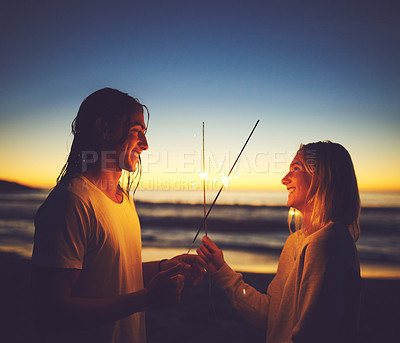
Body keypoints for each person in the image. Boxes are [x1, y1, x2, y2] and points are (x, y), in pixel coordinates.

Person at [31, 88, 205, 343]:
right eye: (137, 132)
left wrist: (164, 266)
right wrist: (146, 299)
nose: (145, 145)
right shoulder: (72, 202)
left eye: (144, 133)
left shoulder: (124, 199)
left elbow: (116, 274)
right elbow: (51, 314)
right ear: (104, 129)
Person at [197, 141, 361, 343]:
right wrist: (222, 270)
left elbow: (313, 335)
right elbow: (271, 314)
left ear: (322, 177)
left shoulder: (329, 243)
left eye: (296, 168)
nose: (284, 180)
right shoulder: (295, 242)